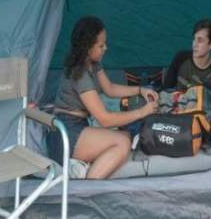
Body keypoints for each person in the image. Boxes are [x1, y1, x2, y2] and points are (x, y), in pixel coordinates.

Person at [51, 16, 158, 179]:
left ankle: (81, 167)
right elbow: (105, 119)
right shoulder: (79, 74)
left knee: (124, 135)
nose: (105, 48)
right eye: (101, 45)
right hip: (65, 133)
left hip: (77, 127)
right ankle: (85, 188)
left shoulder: (92, 63)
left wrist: (140, 90)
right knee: (123, 143)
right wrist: (142, 112)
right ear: (87, 47)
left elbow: (110, 89)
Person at [163, 19, 211, 145]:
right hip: (179, 109)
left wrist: (209, 90)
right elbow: (166, 88)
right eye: (194, 39)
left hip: (202, 114)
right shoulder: (181, 58)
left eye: (200, 40)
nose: (194, 44)